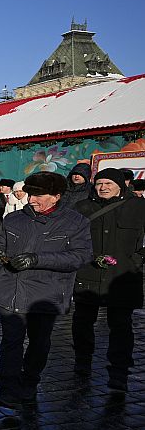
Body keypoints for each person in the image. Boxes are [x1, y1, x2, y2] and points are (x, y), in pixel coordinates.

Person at [0, 171, 92, 409]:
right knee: (10, 342)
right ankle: (8, 389)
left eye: (39, 195)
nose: (32, 199)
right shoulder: (14, 219)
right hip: (11, 290)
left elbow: (80, 256)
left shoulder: (76, 222)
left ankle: (29, 382)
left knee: (38, 342)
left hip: (45, 293)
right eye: (31, 193)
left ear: (56, 196)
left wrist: (38, 259)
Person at [71, 168, 145, 392]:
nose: (103, 187)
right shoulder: (82, 207)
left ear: (120, 185)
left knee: (121, 326)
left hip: (122, 276)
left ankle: (119, 371)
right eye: (99, 183)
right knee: (82, 322)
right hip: (88, 273)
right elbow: (70, 239)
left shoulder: (139, 207)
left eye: (108, 184)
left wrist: (137, 259)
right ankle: (82, 361)